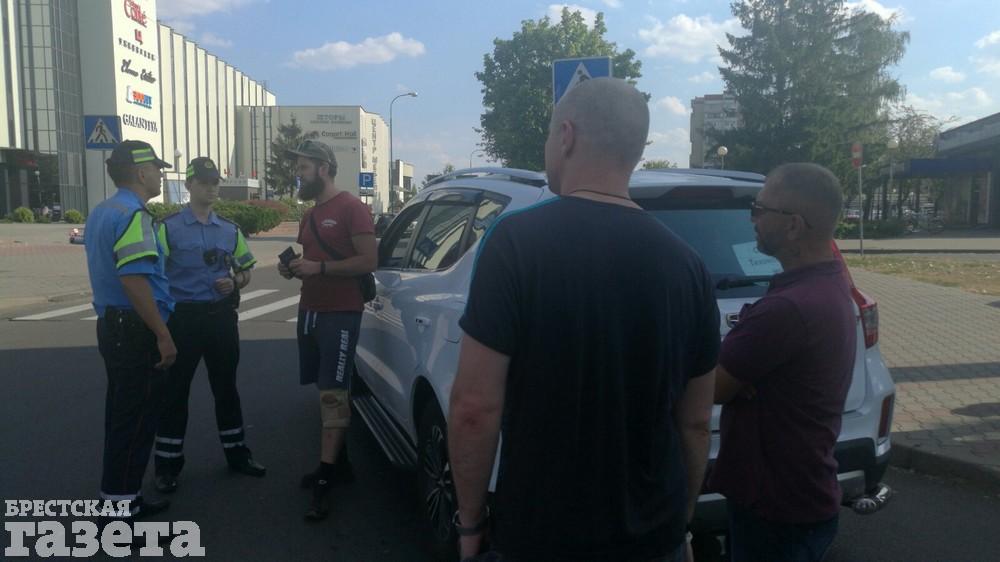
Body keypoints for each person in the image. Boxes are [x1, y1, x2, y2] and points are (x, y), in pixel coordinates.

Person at [448, 77, 720, 561]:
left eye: (549, 136)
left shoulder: (514, 243)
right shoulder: (689, 265)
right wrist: (680, 524)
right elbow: (695, 423)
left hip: (540, 537)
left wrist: (470, 523)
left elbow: (474, 408)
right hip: (654, 538)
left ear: (566, 136)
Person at [710, 163, 856, 562]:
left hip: (776, 511)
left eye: (760, 209)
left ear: (793, 226)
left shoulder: (788, 309)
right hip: (801, 496)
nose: (752, 218)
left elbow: (714, 386)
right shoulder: (828, 284)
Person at [152, 157, 266, 494]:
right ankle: (167, 466)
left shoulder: (230, 229)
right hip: (183, 319)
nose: (211, 188)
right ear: (189, 185)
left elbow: (246, 269)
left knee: (226, 388)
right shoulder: (167, 227)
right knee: (175, 393)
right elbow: (155, 275)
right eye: (204, 182)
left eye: (215, 182)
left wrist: (235, 281)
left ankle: (237, 454)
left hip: (220, 318)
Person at [277, 139, 377, 521]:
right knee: (325, 389)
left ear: (323, 168)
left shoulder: (352, 207)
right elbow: (311, 259)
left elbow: (368, 260)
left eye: (303, 167)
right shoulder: (309, 215)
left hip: (341, 313)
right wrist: (292, 268)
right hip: (310, 311)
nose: (298, 174)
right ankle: (340, 464)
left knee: (334, 394)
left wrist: (318, 268)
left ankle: (325, 478)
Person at [84, 140, 176, 518]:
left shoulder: (103, 211)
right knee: (136, 422)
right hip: (136, 330)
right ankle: (119, 518)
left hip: (112, 325)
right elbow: (134, 278)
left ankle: (123, 498)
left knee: (121, 418)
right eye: (157, 168)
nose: (160, 175)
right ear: (141, 172)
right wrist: (163, 335)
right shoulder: (135, 215)